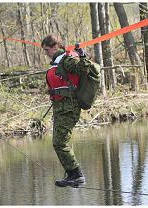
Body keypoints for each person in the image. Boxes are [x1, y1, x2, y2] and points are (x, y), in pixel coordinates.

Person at [42, 35, 92, 187]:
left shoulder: (67, 59)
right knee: (58, 142)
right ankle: (72, 174)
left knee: (59, 142)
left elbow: (83, 69)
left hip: (69, 108)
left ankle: (76, 175)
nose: (46, 53)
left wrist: (82, 55)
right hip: (60, 108)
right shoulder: (58, 62)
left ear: (55, 47)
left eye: (47, 50)